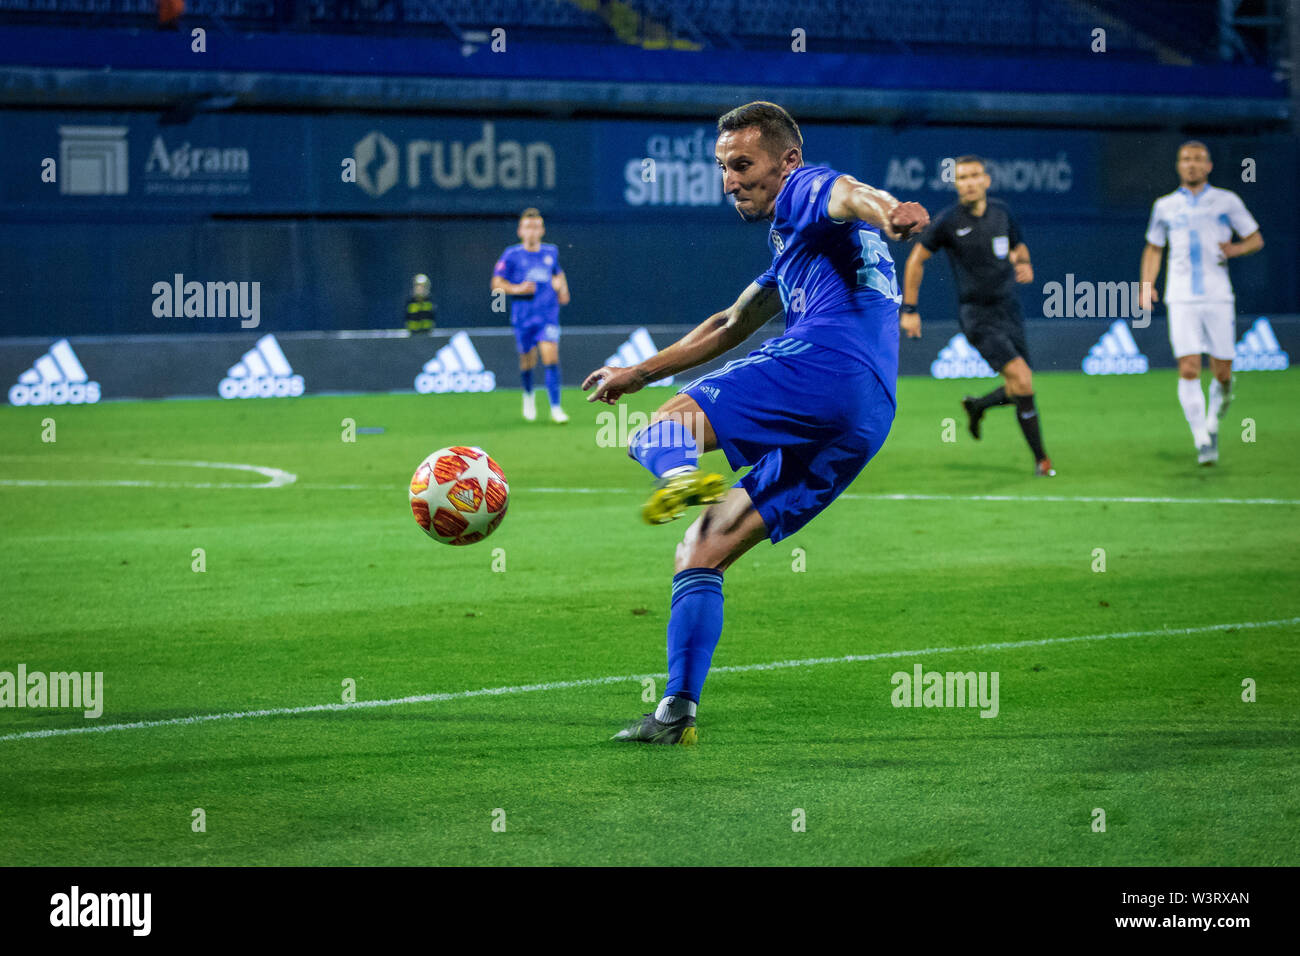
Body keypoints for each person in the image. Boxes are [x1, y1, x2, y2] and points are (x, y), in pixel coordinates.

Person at [581, 101, 928, 744]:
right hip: (867, 413)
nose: (730, 180)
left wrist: (893, 211)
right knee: (701, 549)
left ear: (785, 161)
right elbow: (731, 324)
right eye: (722, 167)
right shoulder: (796, 240)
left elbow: (852, 193)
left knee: (660, 433)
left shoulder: (805, 188)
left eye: (742, 164)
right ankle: (676, 712)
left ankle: (682, 477)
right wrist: (634, 373)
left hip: (826, 366)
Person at [901, 155, 1052, 476]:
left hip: (1009, 310)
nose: (968, 182)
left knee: (1020, 387)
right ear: (956, 184)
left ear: (986, 180)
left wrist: (1024, 263)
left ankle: (978, 406)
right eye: (962, 178)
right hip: (977, 317)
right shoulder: (948, 221)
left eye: (974, 176)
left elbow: (1019, 248)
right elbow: (916, 260)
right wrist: (910, 310)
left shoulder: (1002, 213)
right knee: (1023, 382)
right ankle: (1042, 461)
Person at [1140, 141, 1263, 465]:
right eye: (1185, 159)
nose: (1191, 164)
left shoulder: (1226, 201)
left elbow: (1255, 237)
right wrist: (1146, 286)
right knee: (1189, 366)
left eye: (1197, 159)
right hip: (1180, 295)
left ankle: (1215, 416)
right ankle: (1202, 438)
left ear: (1208, 166)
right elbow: (1154, 248)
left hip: (1218, 295)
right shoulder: (1164, 206)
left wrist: (1236, 249)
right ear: (1178, 166)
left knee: (1222, 372)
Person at [491, 209, 571, 423]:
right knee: (527, 361)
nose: (532, 231)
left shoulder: (550, 252)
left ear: (542, 230)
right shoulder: (511, 255)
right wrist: (517, 289)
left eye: (536, 227)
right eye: (528, 227)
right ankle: (528, 396)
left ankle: (556, 408)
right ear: (520, 231)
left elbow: (558, 273)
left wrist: (562, 288)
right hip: (523, 317)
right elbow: (496, 284)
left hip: (547, 316)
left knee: (551, 358)